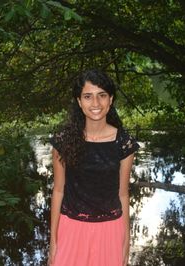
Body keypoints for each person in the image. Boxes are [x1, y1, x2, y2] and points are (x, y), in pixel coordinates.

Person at [48, 69, 139, 266]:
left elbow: (123, 194)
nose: (96, 104)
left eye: (102, 96)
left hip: (110, 230)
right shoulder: (63, 142)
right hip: (71, 228)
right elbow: (58, 190)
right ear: (79, 102)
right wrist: (53, 240)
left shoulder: (124, 143)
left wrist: (126, 240)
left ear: (111, 99)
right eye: (88, 97)